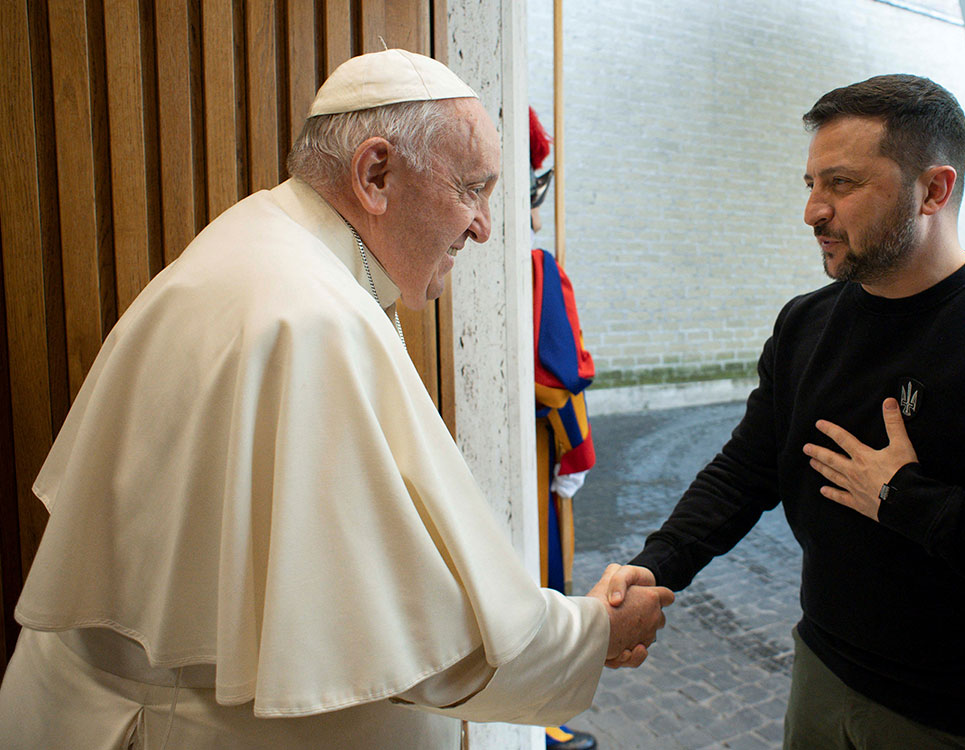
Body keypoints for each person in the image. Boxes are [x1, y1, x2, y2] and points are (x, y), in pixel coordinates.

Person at [0, 49, 672, 749]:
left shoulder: (260, 239)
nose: (483, 226)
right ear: (375, 174)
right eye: (472, 189)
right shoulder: (312, 316)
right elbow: (418, 633)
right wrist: (593, 633)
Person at [608, 74, 965, 749]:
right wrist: (658, 565)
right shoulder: (806, 324)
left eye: (841, 184)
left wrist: (907, 500)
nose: (813, 211)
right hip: (821, 671)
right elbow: (748, 468)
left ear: (934, 190)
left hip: (958, 715)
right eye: (810, 184)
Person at [528, 105, 600, 750]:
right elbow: (561, 376)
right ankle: (542, 717)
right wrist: (577, 451)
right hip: (529, 452)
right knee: (540, 575)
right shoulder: (536, 267)